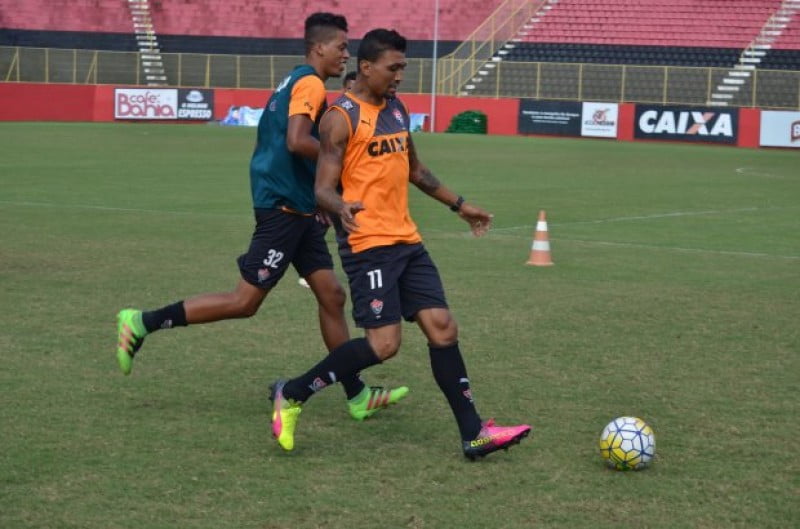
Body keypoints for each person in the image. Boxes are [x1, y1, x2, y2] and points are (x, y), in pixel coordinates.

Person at [115, 13, 408, 422]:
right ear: (318, 47)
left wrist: (319, 198)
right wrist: (344, 166)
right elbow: (296, 140)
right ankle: (142, 322)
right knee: (244, 301)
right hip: (283, 208)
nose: (346, 53)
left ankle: (356, 393)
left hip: (300, 208)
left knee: (332, 295)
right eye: (341, 46)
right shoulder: (308, 82)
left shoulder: (296, 80)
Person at [270, 28, 531, 459]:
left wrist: (459, 205)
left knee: (443, 328)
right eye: (393, 68)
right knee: (383, 345)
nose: (400, 76)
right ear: (367, 67)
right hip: (368, 245)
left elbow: (416, 170)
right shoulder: (341, 117)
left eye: (403, 68)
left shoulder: (396, 108)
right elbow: (322, 189)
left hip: (408, 241)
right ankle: (293, 394)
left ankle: (473, 433)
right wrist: (342, 207)